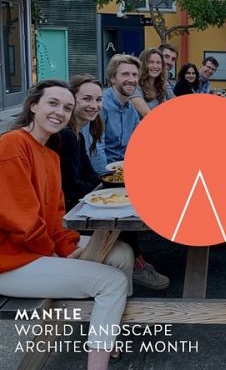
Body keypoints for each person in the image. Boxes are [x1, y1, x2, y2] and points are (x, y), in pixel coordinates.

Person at [0, 80, 134, 370]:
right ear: (33, 106)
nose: (60, 112)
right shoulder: (12, 145)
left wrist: (66, 246)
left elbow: (56, 216)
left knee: (123, 254)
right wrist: (56, 252)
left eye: (67, 108)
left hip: (34, 251)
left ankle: (106, 335)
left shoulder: (50, 155)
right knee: (112, 282)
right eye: (52, 103)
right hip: (10, 261)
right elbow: (21, 220)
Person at [82, 55, 170, 291]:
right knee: (128, 205)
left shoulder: (130, 108)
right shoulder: (101, 105)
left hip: (124, 169)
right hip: (102, 175)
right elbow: (96, 147)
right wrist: (109, 178)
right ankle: (136, 263)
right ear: (112, 78)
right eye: (125, 74)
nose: (131, 79)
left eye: (134, 75)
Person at [58, 74, 103, 211]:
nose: (94, 106)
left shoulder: (78, 136)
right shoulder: (66, 135)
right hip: (65, 210)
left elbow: (90, 175)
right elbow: (72, 187)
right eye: (86, 99)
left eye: (98, 100)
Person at [131, 48, 174, 117]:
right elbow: (148, 115)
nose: (155, 66)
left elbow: (176, 105)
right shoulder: (134, 86)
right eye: (150, 62)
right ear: (143, 64)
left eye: (158, 63)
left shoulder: (163, 84)